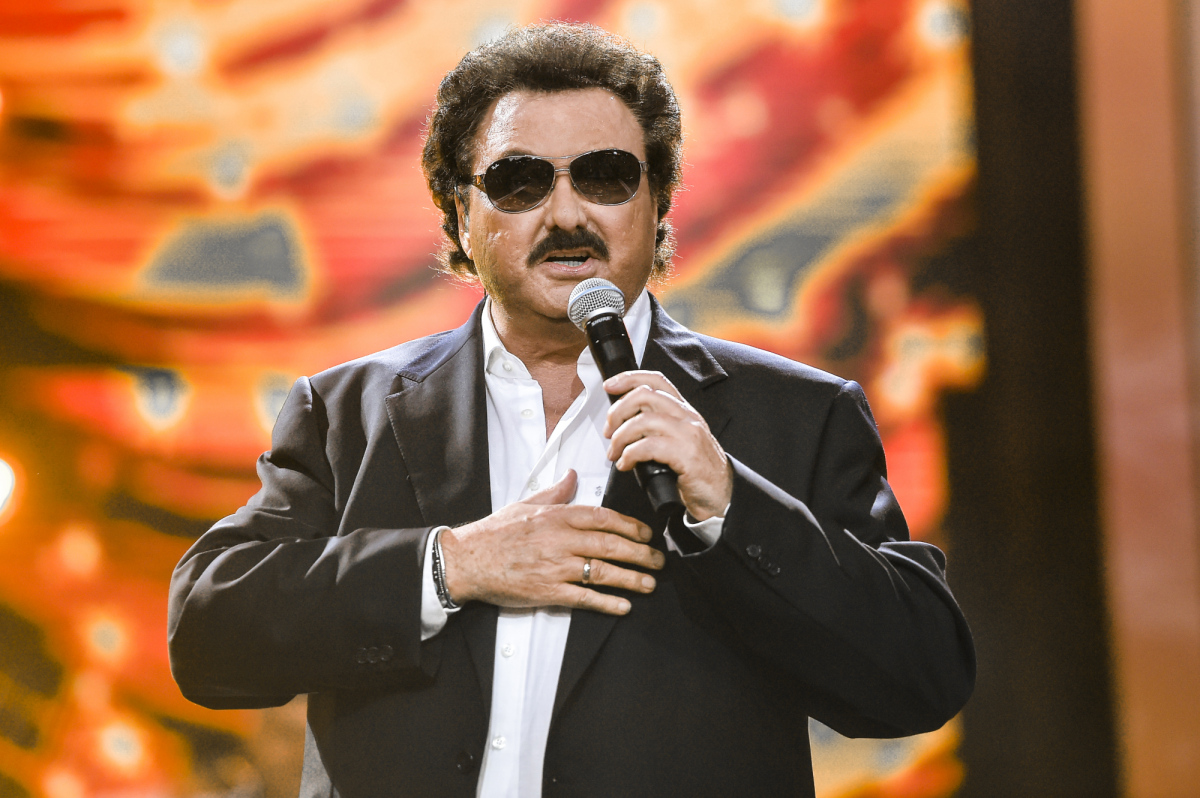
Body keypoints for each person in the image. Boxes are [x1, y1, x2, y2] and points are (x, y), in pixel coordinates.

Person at [168, 23, 974, 798]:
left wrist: (731, 503)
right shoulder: (348, 412)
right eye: (520, 182)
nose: (566, 215)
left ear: (658, 203)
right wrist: (450, 566)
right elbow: (207, 633)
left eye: (605, 176)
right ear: (460, 215)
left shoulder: (797, 415)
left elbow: (921, 678)